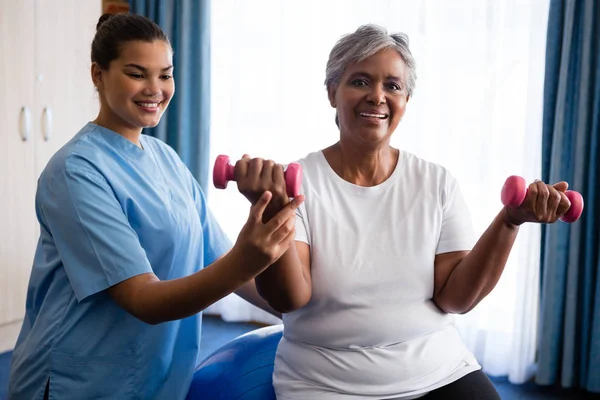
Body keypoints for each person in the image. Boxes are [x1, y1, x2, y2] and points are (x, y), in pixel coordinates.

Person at [233, 24, 573, 399]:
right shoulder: (295, 185)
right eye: (360, 82)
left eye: (392, 86)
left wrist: (510, 221)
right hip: (326, 382)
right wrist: (271, 212)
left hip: (438, 370)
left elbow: (455, 299)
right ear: (332, 93)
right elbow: (289, 299)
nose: (376, 96)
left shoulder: (436, 182)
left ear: (406, 100)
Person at [7, 13, 303, 400]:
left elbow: (221, 262)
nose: (155, 89)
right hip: (79, 382)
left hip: (158, 375)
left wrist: (304, 313)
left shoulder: (167, 159)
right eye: (137, 73)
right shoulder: (74, 171)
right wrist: (248, 257)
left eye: (165, 74)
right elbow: (143, 299)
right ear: (98, 75)